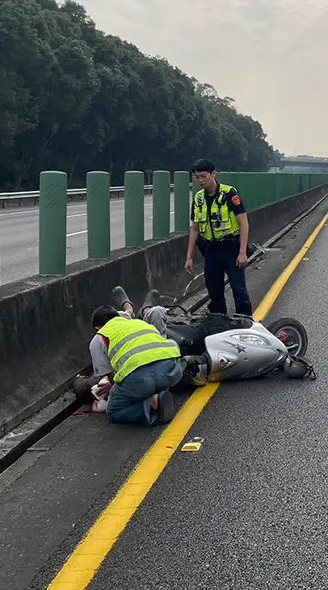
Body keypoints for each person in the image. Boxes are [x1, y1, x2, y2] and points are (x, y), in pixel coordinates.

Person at [88, 286, 183, 425]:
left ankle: (152, 404)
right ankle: (161, 392)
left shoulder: (99, 338)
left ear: (98, 327)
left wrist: (113, 388)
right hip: (172, 371)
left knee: (114, 410)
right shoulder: (135, 322)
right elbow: (128, 312)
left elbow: (111, 377)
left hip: (143, 380)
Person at [184, 158, 253, 317]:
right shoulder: (198, 198)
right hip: (210, 252)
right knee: (214, 294)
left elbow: (244, 223)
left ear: (213, 174)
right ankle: (219, 326)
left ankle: (246, 325)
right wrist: (189, 257)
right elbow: (195, 229)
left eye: (203, 176)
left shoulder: (229, 194)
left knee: (239, 291)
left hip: (230, 249)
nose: (200, 180)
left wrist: (242, 252)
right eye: (197, 177)